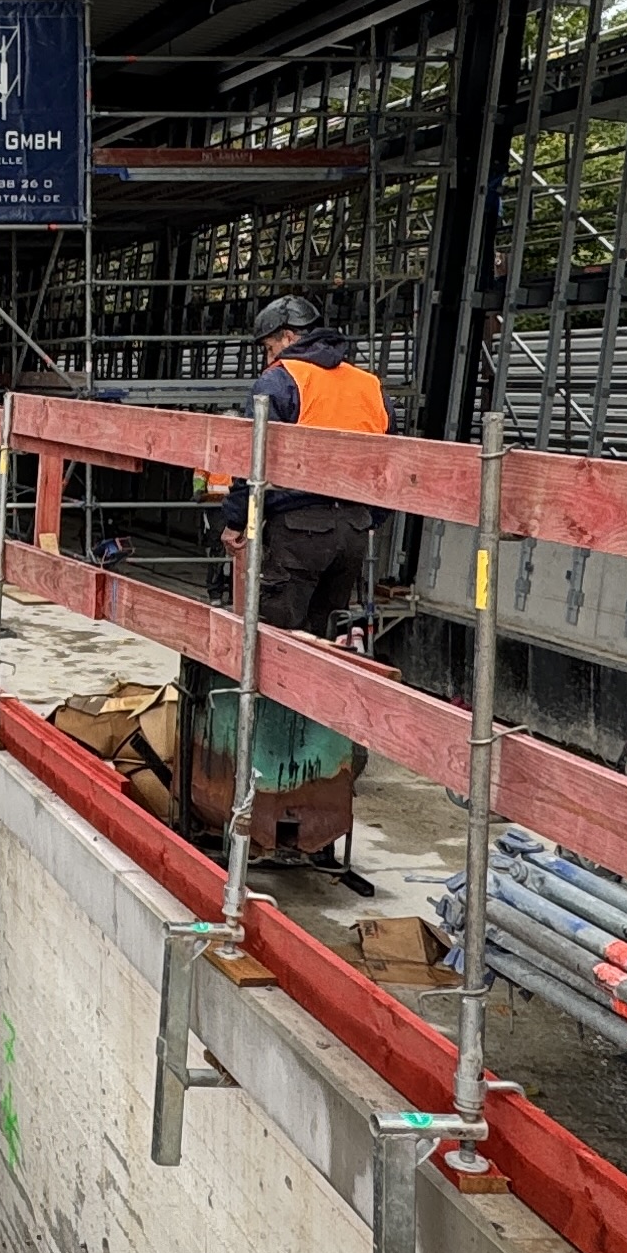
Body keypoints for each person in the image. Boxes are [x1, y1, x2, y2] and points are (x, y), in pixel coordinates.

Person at [212, 295, 388, 886]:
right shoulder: (366, 383)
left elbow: (250, 457)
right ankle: (322, 781)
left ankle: (263, 791)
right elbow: (386, 459)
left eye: (267, 345)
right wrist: (365, 520)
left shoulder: (281, 380)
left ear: (285, 337)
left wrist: (234, 520)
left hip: (298, 529)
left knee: (272, 650)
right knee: (331, 646)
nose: (265, 356)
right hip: (354, 530)